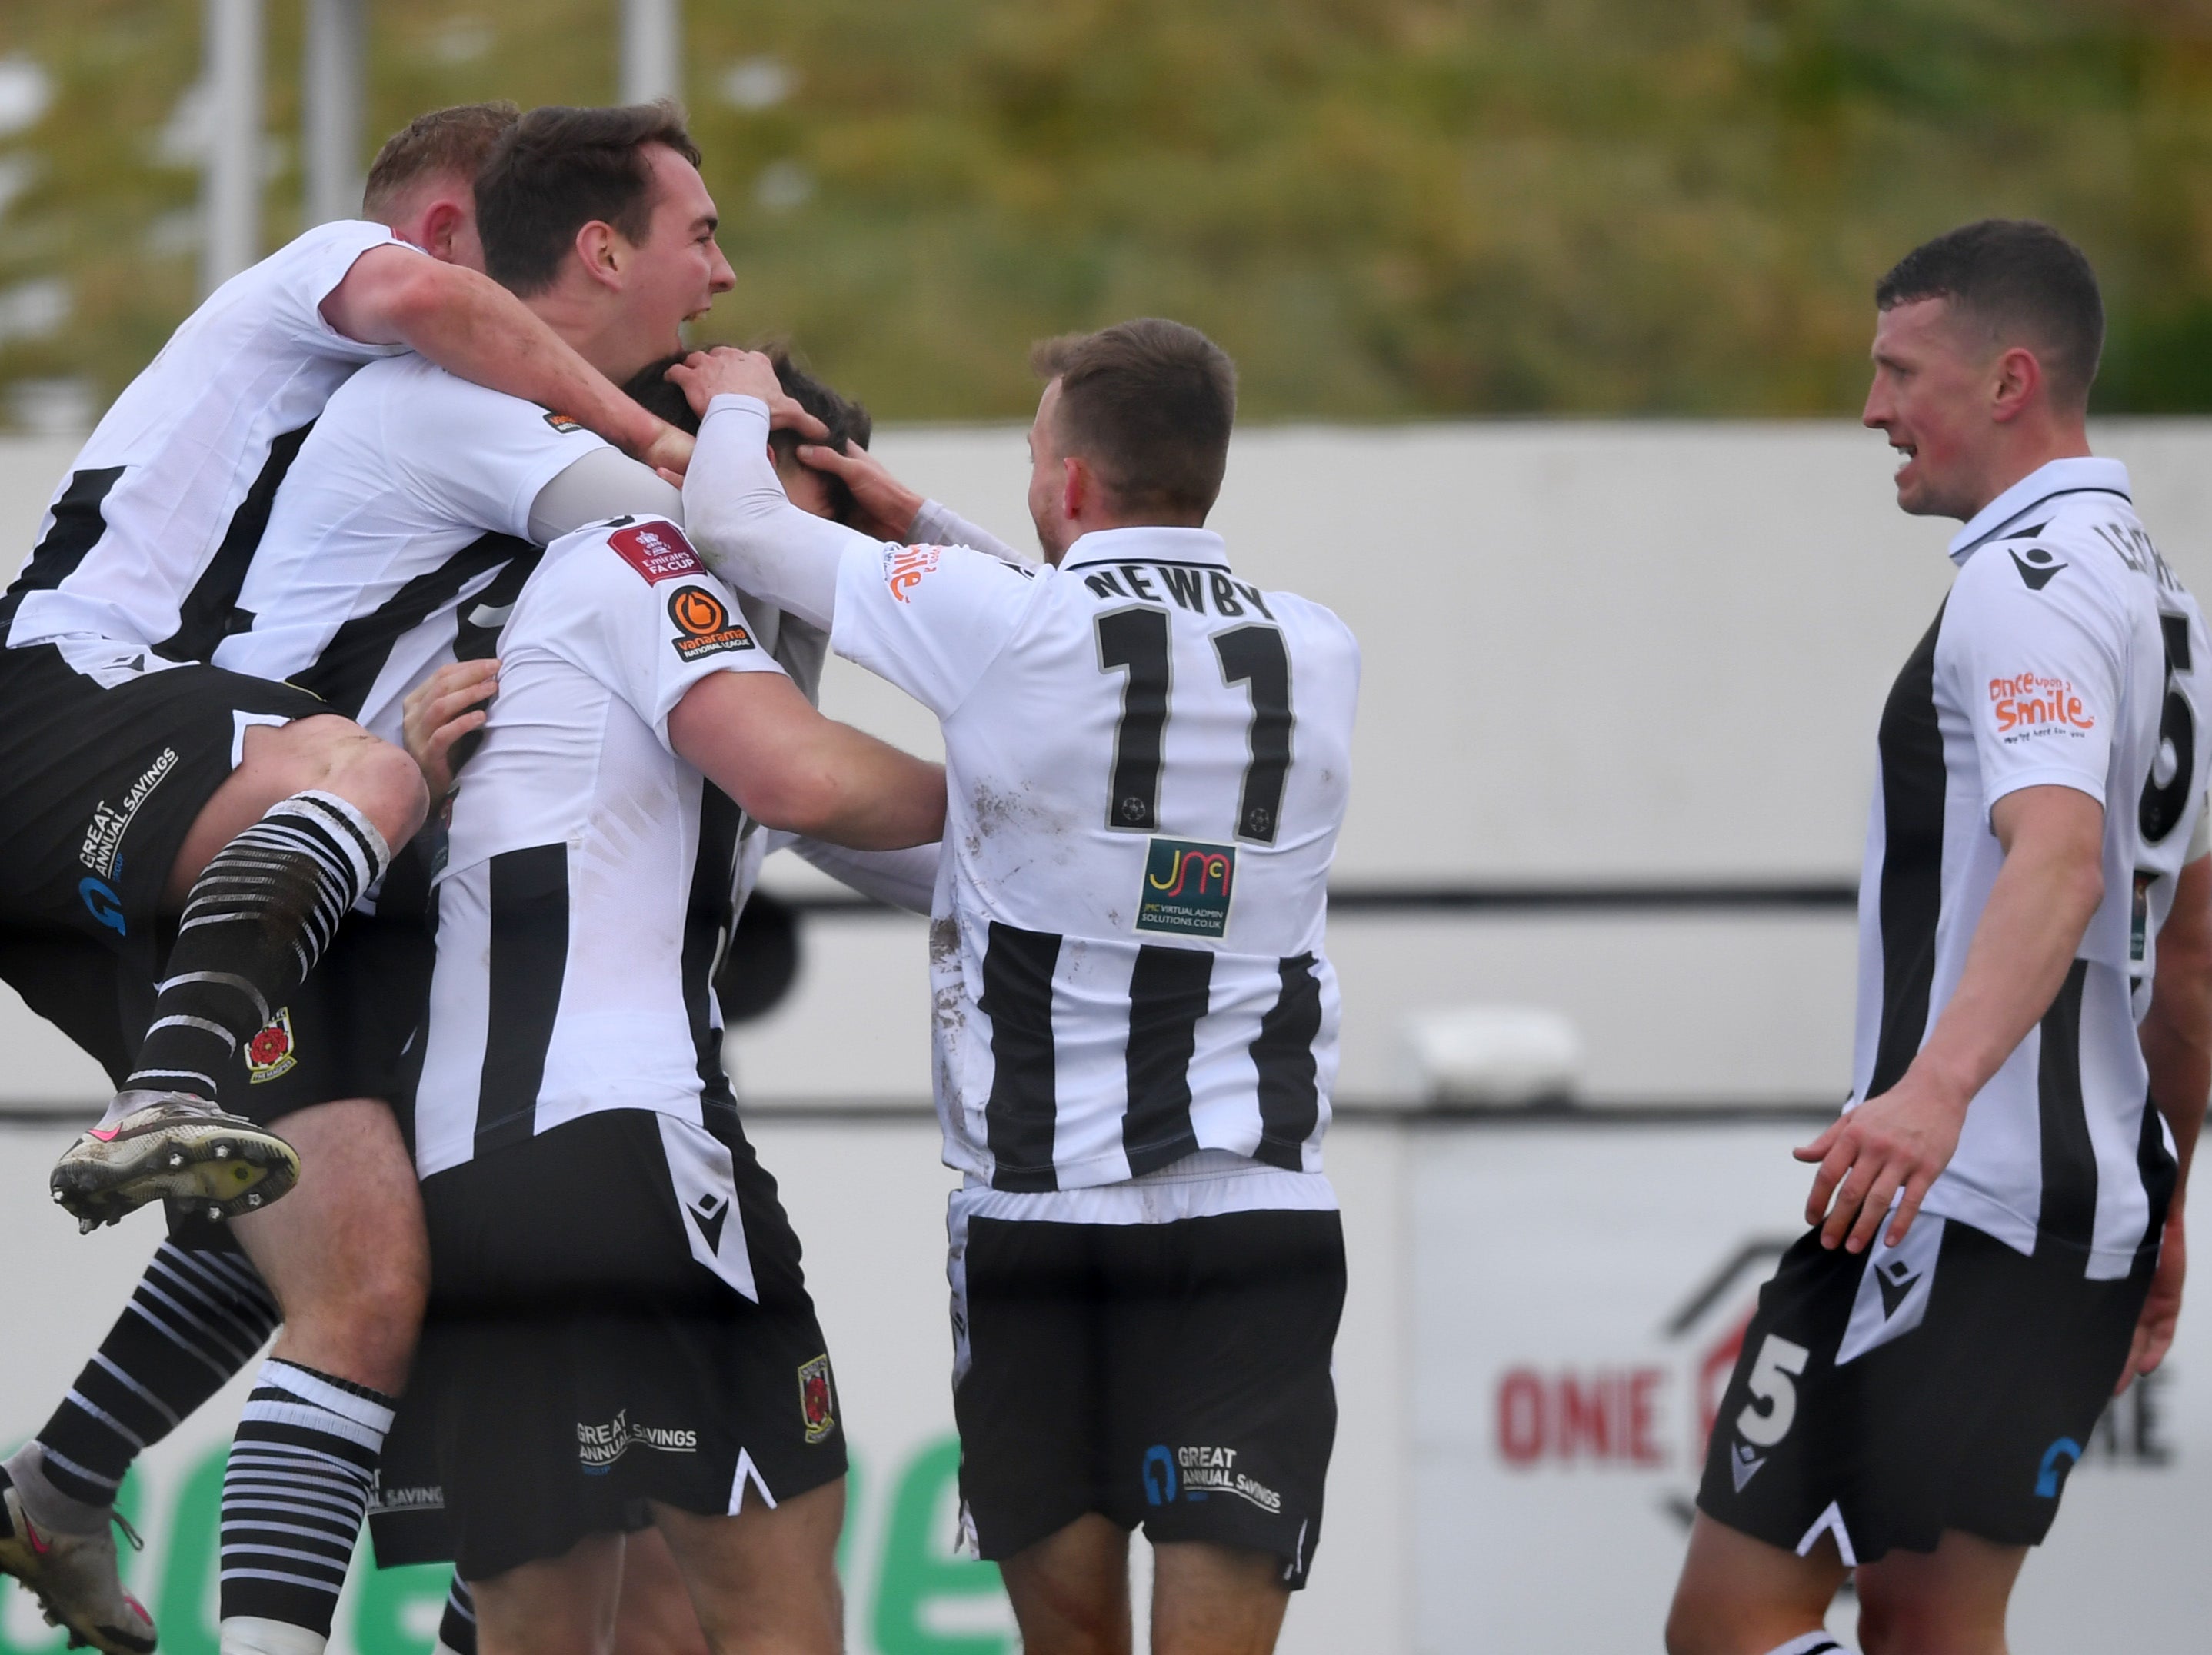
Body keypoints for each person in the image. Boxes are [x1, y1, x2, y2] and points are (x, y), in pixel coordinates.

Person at [0, 100, 694, 1655]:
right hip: (62, 710)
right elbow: (486, 359)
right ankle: (164, 1095)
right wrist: (673, 438)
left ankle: (59, 1480)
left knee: (345, 1254)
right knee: (354, 789)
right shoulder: (363, 297)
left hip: (179, 832)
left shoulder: (374, 427)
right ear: (448, 239)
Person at [671, 318, 1360, 1655]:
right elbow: (1107, 639)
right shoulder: (1319, 647)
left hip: (1044, 1231)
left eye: (1038, 454)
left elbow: (743, 526)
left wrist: (747, 402)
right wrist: (920, 520)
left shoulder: (1008, 626)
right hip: (1257, 1227)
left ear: (1070, 486)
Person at [1665, 220, 2212, 1655]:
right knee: (1932, 1629)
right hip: (2082, 1220)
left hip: (1950, 1209)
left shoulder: (2022, 590)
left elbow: (2063, 861)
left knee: (1725, 1629)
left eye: (1900, 371)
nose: (1873, 410)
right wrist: (2165, 1201)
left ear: (2011, 379)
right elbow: (2197, 954)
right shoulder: (2174, 609)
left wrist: (1936, 1091)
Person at [391, 491, 941, 1655]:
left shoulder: (643, 683)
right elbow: (810, 779)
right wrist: (1056, 781)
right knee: (776, 1611)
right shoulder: (638, 557)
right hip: (629, 1140)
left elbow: (964, 869)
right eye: (798, 521)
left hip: (469, 1183)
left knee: (551, 1632)